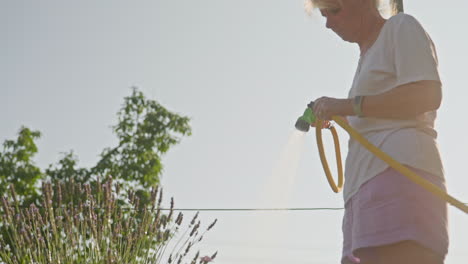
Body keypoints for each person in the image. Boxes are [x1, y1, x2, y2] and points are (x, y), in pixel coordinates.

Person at [305, 0, 448, 263]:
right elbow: (373, 119)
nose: (328, 23)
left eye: (335, 11)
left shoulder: (400, 27)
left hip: (399, 179)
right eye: (325, 15)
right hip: (361, 192)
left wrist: (346, 105)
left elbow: (426, 94)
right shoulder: (366, 58)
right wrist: (338, 114)